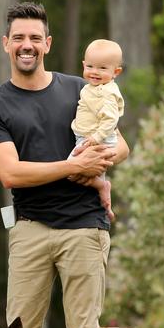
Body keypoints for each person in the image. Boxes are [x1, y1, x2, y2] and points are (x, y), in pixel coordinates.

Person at [0, 2, 129, 328]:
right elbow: (11, 174)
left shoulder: (82, 88)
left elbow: (120, 144)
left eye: (35, 38)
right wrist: (71, 165)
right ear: (7, 44)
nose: (27, 45)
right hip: (30, 229)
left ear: (48, 44)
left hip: (85, 228)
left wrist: (97, 165)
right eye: (18, 38)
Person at [70, 39, 124, 222]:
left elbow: (111, 120)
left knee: (70, 169)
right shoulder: (92, 87)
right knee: (84, 173)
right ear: (83, 65)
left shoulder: (107, 93)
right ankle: (105, 202)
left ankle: (102, 187)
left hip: (95, 139)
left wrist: (96, 137)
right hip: (88, 137)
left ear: (115, 72)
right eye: (90, 66)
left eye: (102, 68)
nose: (94, 72)